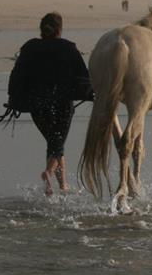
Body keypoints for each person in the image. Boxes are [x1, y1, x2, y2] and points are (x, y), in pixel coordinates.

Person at [7, 12, 92, 195]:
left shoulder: (29, 48)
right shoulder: (69, 48)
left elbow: (16, 76)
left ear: (42, 29)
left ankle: (61, 185)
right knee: (58, 142)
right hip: (61, 103)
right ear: (60, 29)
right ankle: (49, 172)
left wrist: (15, 100)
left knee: (53, 142)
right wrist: (91, 94)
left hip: (36, 105)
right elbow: (83, 77)